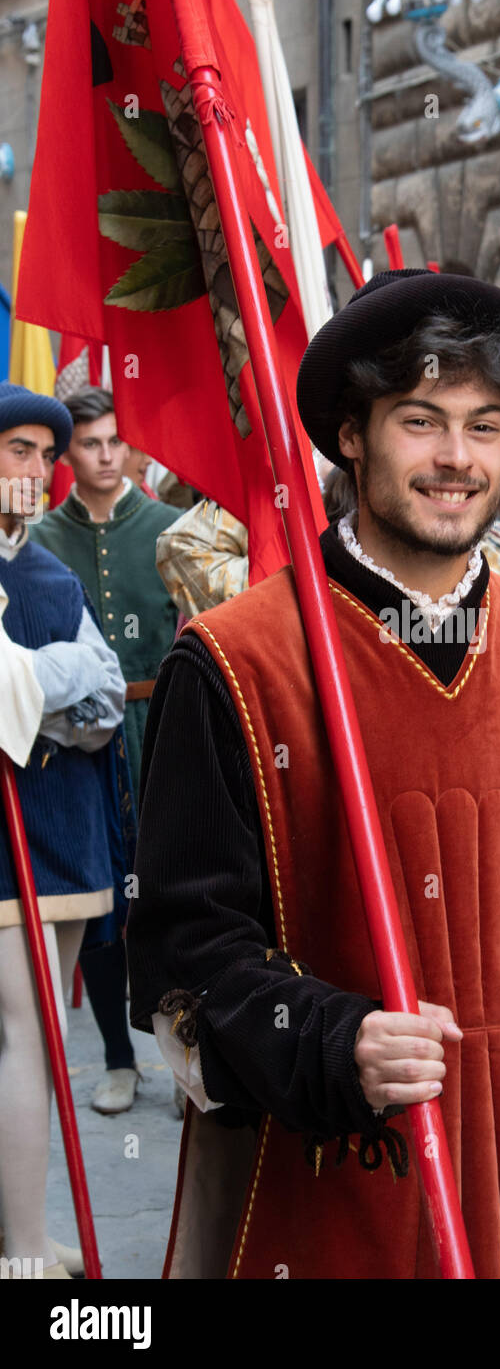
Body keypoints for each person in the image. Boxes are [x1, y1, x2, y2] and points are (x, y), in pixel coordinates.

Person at [126, 269, 500, 1279]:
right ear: (351, 434)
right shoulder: (235, 662)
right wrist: (337, 1043)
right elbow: (186, 960)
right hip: (343, 1171)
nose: (456, 459)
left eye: (482, 426)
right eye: (420, 421)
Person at [0, 384, 126, 1276]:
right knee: (22, 1040)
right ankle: (20, 1248)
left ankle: (23, 1232)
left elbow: (107, 698)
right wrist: (58, 680)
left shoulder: (45, 570)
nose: (36, 470)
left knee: (40, 1040)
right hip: (6, 854)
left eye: (46, 454)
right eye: (18, 450)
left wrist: (32, 686)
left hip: (66, 837)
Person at [29, 386, 182, 1115]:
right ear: (69, 455)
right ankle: (119, 1060)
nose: (103, 454)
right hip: (76, 745)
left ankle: (185, 1057)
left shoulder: (170, 528)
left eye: (115, 441)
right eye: (89, 443)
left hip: (161, 728)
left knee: (175, 892)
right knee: (94, 899)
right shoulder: (38, 541)